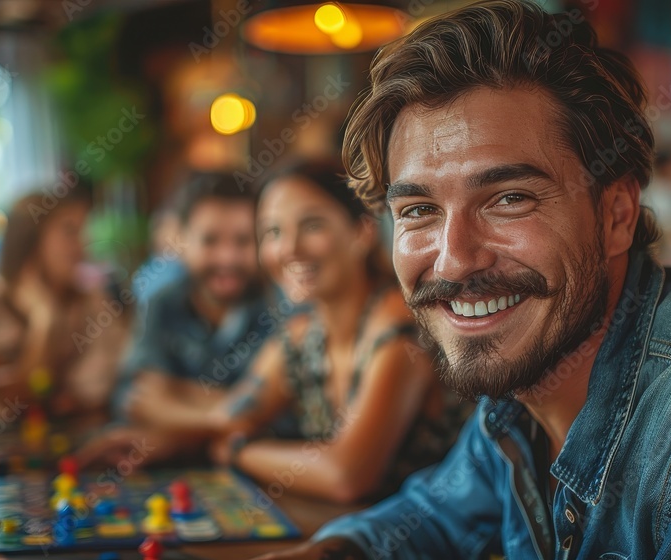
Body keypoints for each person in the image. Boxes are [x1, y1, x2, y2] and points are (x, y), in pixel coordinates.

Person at [261, 2, 671, 558]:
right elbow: (431, 513)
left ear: (615, 215)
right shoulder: (531, 376)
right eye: (418, 210)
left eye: (509, 199)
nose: (454, 260)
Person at [80, 160, 463, 503]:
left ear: (361, 232)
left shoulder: (398, 325)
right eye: (272, 232)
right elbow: (235, 413)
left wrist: (236, 451)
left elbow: (346, 476)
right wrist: (166, 443)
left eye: (311, 225)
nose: (289, 249)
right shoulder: (301, 333)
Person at [111, 172, 275, 427]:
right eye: (210, 240)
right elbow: (134, 398)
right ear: (183, 240)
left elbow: (282, 414)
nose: (227, 258)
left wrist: (175, 396)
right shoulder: (163, 303)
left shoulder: (279, 307)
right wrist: (238, 412)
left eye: (243, 241)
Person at [0, 188, 127, 419]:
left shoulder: (92, 301)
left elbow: (103, 385)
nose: (83, 246)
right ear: (30, 239)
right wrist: (46, 321)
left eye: (83, 232)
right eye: (70, 232)